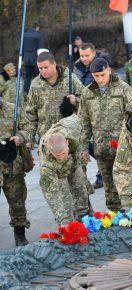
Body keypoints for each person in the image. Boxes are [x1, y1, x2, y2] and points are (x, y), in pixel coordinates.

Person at [78, 57, 132, 212]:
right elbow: (83, 122)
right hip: (101, 149)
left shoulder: (123, 89)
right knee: (109, 189)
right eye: (96, 76)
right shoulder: (87, 93)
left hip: (122, 148)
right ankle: (116, 220)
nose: (100, 79)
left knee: (127, 186)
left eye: (102, 75)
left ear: (109, 70)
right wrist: (83, 147)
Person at [38, 114, 91, 226]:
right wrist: (63, 221)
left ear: (67, 142)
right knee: (65, 202)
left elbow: (80, 121)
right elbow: (52, 194)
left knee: (81, 191)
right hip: (58, 170)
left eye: (63, 153)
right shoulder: (46, 163)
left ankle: (86, 219)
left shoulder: (72, 126)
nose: (61, 157)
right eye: (57, 155)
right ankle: (70, 226)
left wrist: (83, 148)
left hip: (74, 161)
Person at [73, 42, 110, 189]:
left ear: (93, 53)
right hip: (84, 110)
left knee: (104, 145)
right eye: (82, 56)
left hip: (103, 111)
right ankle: (103, 171)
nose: (84, 58)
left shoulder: (102, 64)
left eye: (87, 55)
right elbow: (77, 87)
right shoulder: (77, 66)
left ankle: (103, 175)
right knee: (88, 143)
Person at [26, 52, 84, 144]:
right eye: (40, 68)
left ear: (54, 64)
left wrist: (75, 100)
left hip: (68, 135)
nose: (43, 71)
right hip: (46, 137)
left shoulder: (70, 78)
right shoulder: (35, 84)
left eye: (46, 67)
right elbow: (31, 113)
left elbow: (86, 100)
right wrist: (30, 137)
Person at [0, 97, 33, 246]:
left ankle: (19, 234)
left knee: (18, 202)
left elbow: (28, 128)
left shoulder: (12, 109)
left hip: (12, 165)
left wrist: (19, 138)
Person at [23, 21, 44, 95]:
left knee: (27, 77)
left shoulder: (24, 35)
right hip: (35, 59)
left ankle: (25, 93)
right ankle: (35, 94)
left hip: (26, 59)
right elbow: (40, 49)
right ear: (37, 27)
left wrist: (23, 58)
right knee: (36, 77)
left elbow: (22, 48)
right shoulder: (38, 35)